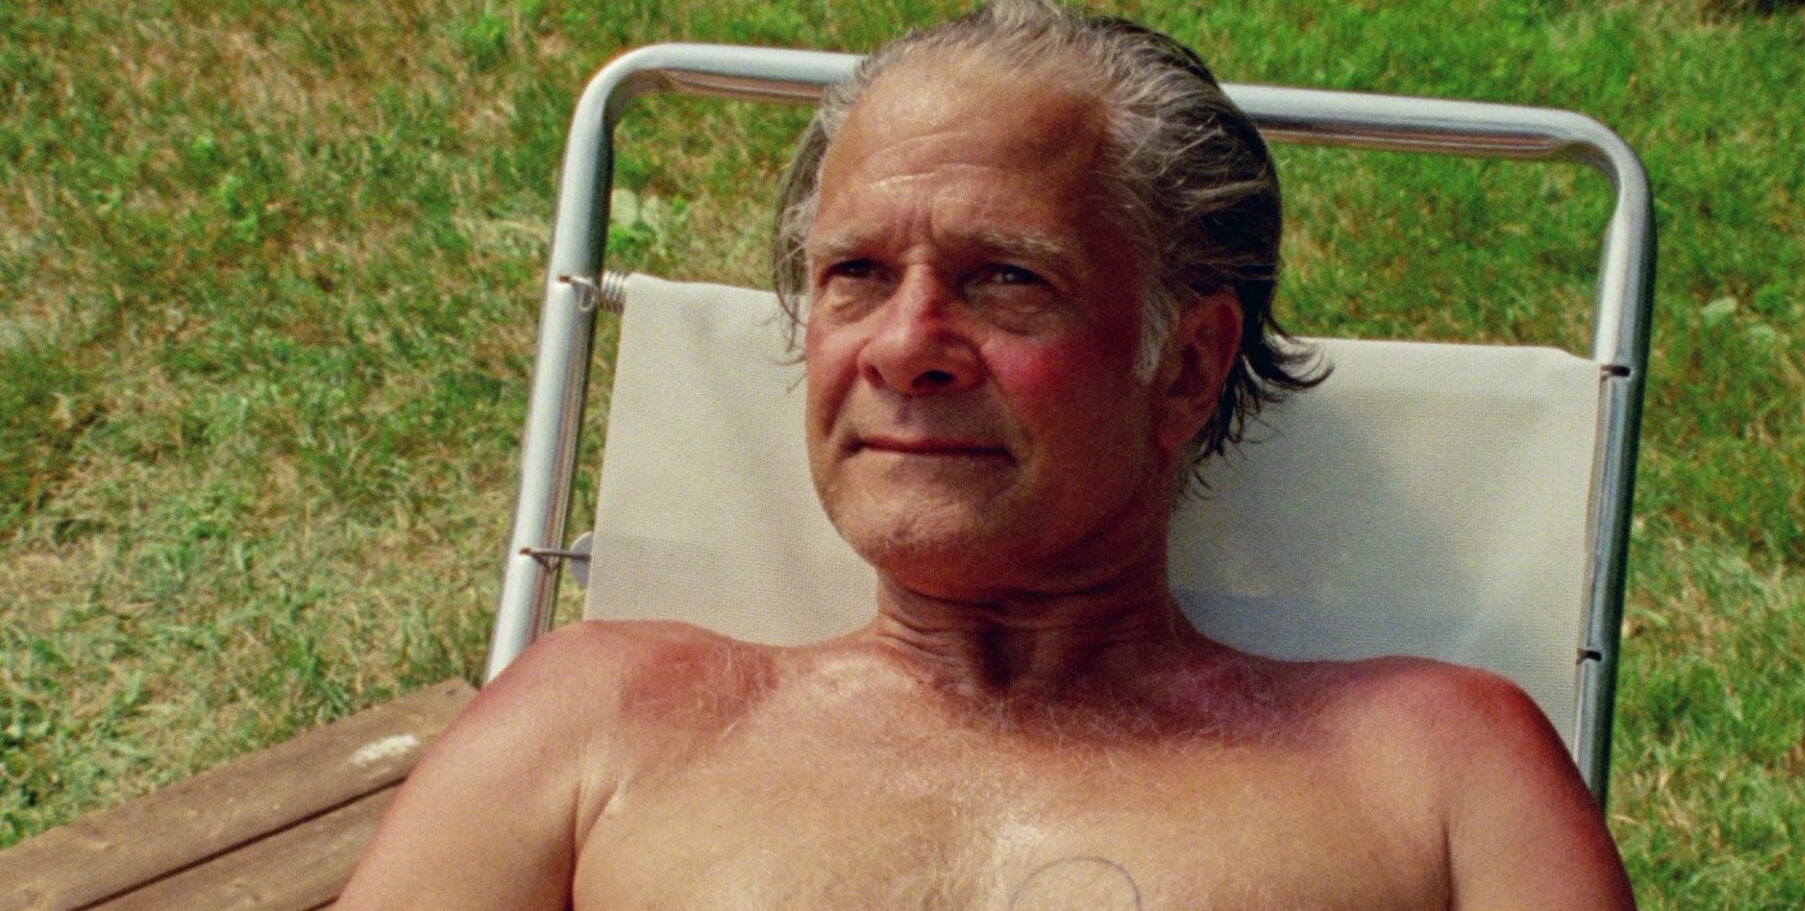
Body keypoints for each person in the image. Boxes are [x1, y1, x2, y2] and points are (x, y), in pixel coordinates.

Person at [338, 2, 1636, 908]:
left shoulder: (1433, 769)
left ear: (1186, 366)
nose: (907, 346)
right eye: (854, 273)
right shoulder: (600, 720)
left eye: (1007, 277)